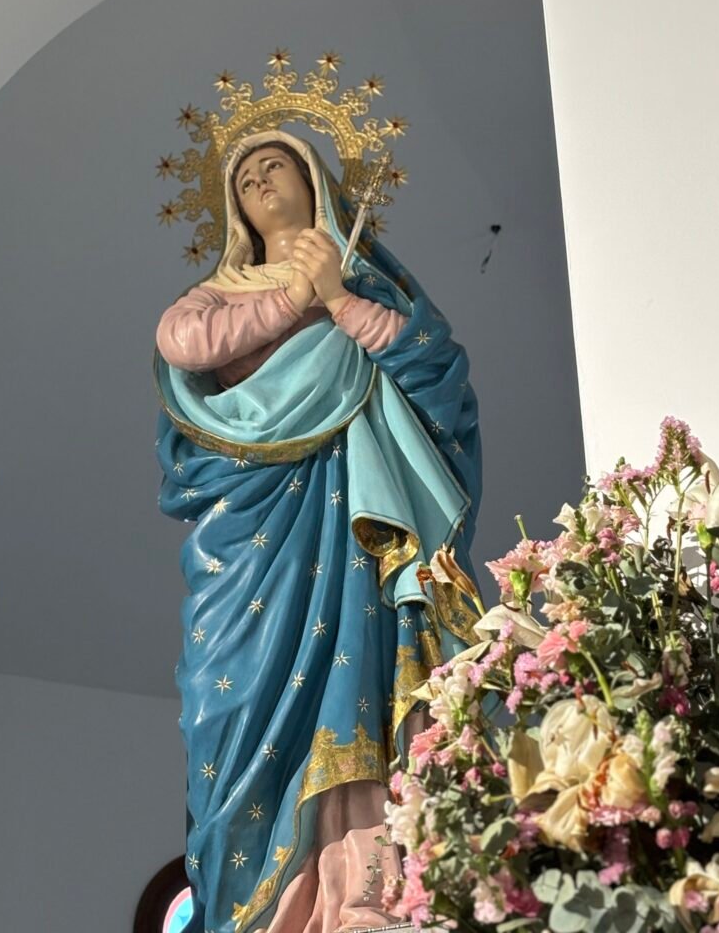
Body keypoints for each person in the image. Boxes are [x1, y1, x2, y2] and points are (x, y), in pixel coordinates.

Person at [154, 129, 483, 933]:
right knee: (228, 702)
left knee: (364, 673)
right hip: (246, 533)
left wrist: (337, 296)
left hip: (357, 520)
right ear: (234, 211)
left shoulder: (365, 287)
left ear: (315, 184)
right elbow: (183, 343)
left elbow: (435, 376)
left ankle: (368, 886)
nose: (260, 181)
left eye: (277, 165)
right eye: (245, 178)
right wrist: (293, 298)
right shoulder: (215, 294)